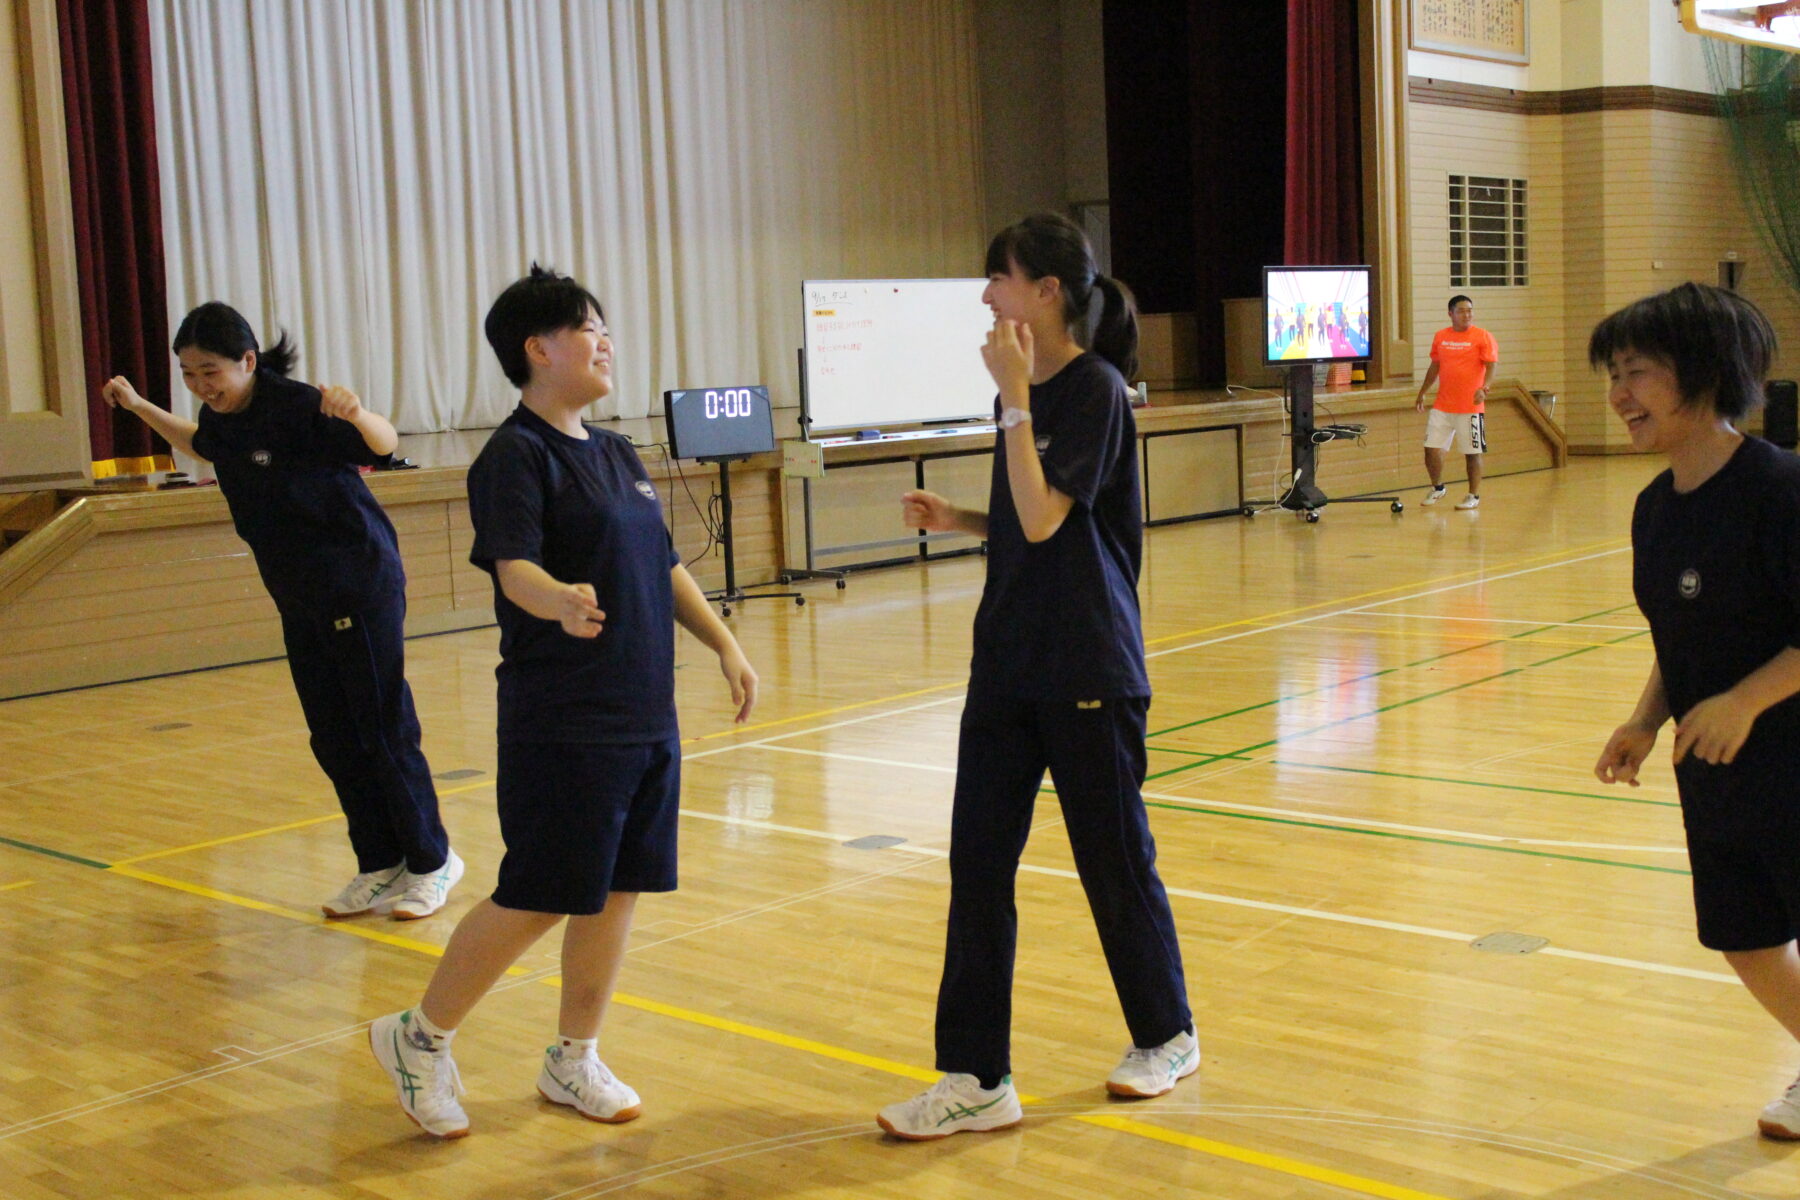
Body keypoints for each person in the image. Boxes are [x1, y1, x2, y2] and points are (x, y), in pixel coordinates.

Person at [368, 266, 758, 1139]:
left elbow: (663, 565)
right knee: (541, 892)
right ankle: (417, 1038)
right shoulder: (514, 456)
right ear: (537, 349)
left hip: (643, 716)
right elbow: (513, 566)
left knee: (617, 893)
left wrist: (724, 643)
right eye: (589, 328)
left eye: (605, 327)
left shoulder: (617, 453)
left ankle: (571, 1057)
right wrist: (559, 599)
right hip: (563, 719)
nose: (606, 341)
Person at [876, 213, 1196, 1141]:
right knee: (976, 865)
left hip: (1087, 661)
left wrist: (1015, 400)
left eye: (999, 279)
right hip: (1007, 663)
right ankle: (977, 1077)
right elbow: (1025, 517)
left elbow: (1055, 520)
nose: (986, 296)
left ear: (1047, 292)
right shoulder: (1022, 396)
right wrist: (963, 518)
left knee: (1112, 859)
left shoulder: (1092, 389)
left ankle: (1166, 1032)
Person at [102, 304, 460, 921]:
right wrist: (139, 406)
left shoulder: (295, 405)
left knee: (380, 727)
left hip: (357, 583)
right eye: (187, 375)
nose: (200, 386)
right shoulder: (224, 418)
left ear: (247, 360)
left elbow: (384, 442)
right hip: (299, 596)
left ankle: (432, 863)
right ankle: (380, 862)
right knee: (332, 734)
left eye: (209, 371)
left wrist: (357, 413)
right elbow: (202, 446)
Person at [1589, 282, 1800, 1141]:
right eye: (1615, 375)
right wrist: (1647, 717)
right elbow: (1681, 632)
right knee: (1747, 938)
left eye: (1636, 372)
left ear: (1703, 376)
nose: (1618, 396)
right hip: (1711, 765)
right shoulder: (1654, 509)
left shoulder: (1780, 489)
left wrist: (1747, 700)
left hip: (1788, 750)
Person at [1413, 294, 1498, 510]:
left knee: (1472, 452)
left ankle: (1473, 495)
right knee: (1431, 448)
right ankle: (1438, 487)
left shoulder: (1482, 336)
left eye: (1469, 310)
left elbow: (1490, 366)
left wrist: (1484, 388)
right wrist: (1423, 391)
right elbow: (1435, 366)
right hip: (1443, 405)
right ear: (1450, 314)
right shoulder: (1441, 336)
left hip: (1470, 406)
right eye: (1461, 310)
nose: (1466, 314)